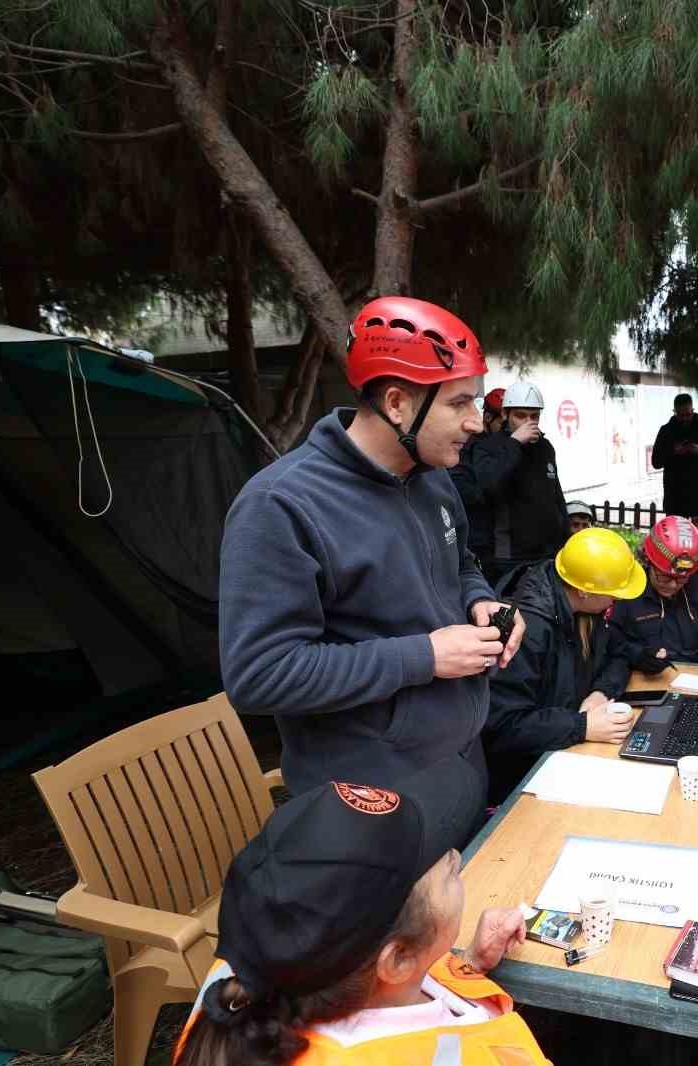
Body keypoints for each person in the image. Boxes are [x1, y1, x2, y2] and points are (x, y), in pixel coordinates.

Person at [219, 297, 524, 846]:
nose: (477, 423)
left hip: (458, 758)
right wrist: (426, 656)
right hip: (371, 795)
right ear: (398, 403)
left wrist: (481, 599)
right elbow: (260, 675)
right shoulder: (280, 505)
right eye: (459, 403)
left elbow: (462, 563)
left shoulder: (431, 476)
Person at [173, 775, 547, 1066]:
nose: (455, 857)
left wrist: (469, 965)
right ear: (397, 958)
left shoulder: (259, 974)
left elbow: (393, 991)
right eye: (449, 873)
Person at [483, 528, 645, 802]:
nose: (616, 599)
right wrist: (581, 726)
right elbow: (502, 727)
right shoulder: (527, 631)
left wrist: (601, 692)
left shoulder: (586, 611)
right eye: (613, 592)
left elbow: (620, 655)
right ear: (584, 590)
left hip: (569, 754)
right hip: (523, 783)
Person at [608, 514, 698, 673]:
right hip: (653, 680)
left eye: (682, 578)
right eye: (664, 576)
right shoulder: (629, 591)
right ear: (648, 560)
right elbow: (610, 639)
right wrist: (637, 655)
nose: (672, 585)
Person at [460, 380, 570, 582]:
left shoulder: (545, 447)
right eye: (520, 415)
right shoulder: (488, 447)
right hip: (511, 556)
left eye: (534, 416)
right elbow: (489, 484)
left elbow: (556, 496)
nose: (528, 422)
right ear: (505, 415)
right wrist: (514, 443)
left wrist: (566, 538)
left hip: (548, 552)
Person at [450, 386, 509, 579]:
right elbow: (462, 487)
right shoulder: (468, 445)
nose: (507, 429)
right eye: (503, 422)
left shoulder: (503, 443)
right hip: (479, 537)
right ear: (489, 418)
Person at [651, 393, 698, 518]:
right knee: (676, 537)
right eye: (681, 415)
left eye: (688, 414)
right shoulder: (666, 431)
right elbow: (656, 462)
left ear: (693, 410)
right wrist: (673, 451)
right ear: (674, 412)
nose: (685, 418)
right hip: (674, 498)